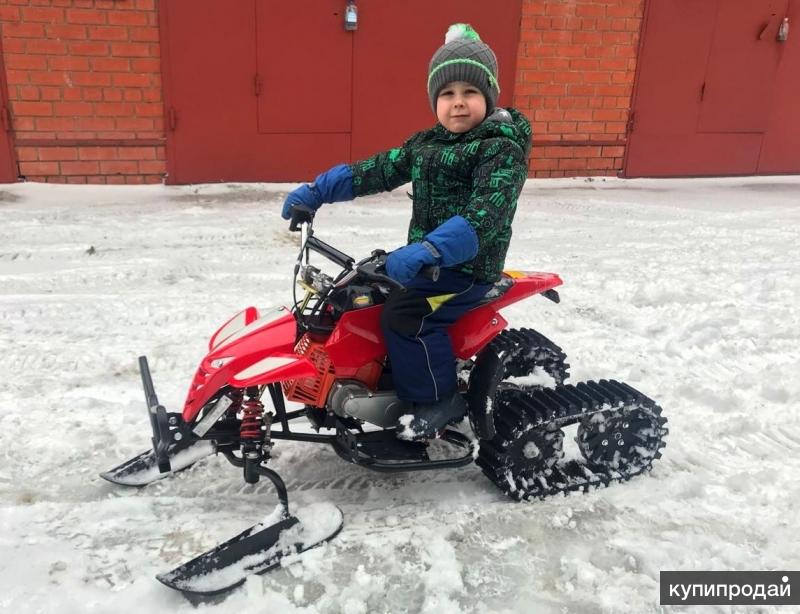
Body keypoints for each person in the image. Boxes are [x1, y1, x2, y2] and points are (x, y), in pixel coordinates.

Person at [281, 23, 532, 440]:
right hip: (430, 258)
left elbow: (486, 214)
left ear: (489, 97)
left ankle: (438, 398)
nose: (457, 104)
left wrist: (432, 249)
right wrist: (319, 190)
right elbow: (378, 169)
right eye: (447, 94)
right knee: (357, 293)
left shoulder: (500, 149)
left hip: (467, 268)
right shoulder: (427, 144)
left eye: (470, 93)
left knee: (407, 316)